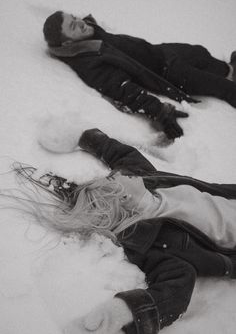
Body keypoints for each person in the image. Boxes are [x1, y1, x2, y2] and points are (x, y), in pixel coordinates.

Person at [8, 128, 236, 334]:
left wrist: (83, 136)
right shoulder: (153, 243)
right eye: (113, 181)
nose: (117, 174)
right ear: (124, 201)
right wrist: (125, 313)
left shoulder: (144, 182)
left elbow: (123, 155)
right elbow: (176, 287)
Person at [42, 11, 236, 140]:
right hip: (169, 74)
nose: (80, 22)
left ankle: (229, 70)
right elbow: (122, 88)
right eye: (73, 26)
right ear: (67, 44)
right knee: (226, 89)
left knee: (199, 53)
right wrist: (159, 112)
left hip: (161, 52)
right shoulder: (89, 63)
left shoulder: (87, 35)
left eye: (74, 17)